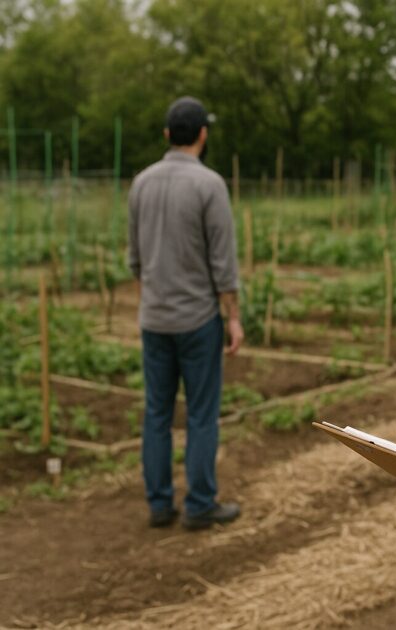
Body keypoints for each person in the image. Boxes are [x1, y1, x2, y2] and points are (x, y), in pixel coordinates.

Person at [128, 96, 244, 530]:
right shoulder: (209, 185)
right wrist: (232, 317)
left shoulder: (141, 183)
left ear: (165, 136)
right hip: (197, 321)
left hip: (153, 320)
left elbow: (135, 260)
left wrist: (149, 304)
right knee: (200, 413)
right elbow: (223, 265)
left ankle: (159, 504)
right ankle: (199, 505)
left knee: (156, 412)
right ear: (202, 135)